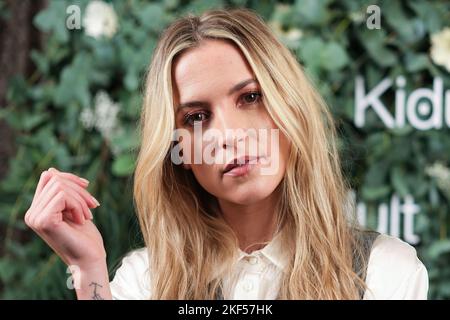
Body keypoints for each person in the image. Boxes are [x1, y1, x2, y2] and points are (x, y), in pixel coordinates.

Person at [24, 8, 428, 300]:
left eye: (251, 97)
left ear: (291, 106)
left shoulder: (385, 272)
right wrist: (87, 269)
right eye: (197, 116)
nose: (230, 134)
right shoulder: (145, 280)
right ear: (175, 147)